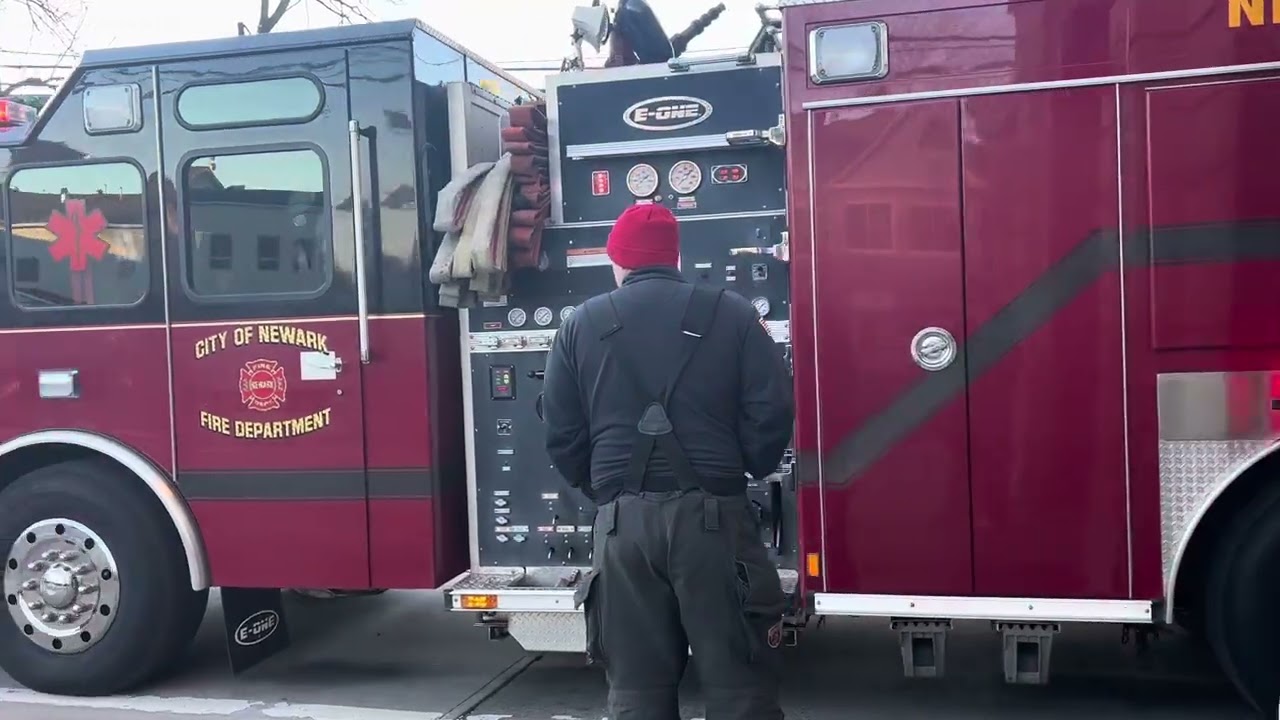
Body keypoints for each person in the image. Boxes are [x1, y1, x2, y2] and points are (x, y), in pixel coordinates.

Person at [542, 203, 796, 720]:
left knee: (637, 696)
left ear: (617, 261)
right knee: (739, 690)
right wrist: (743, 468)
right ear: (675, 257)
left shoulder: (580, 326)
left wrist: (608, 496)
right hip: (715, 523)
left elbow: (561, 434)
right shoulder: (733, 313)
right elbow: (773, 409)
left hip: (623, 530)